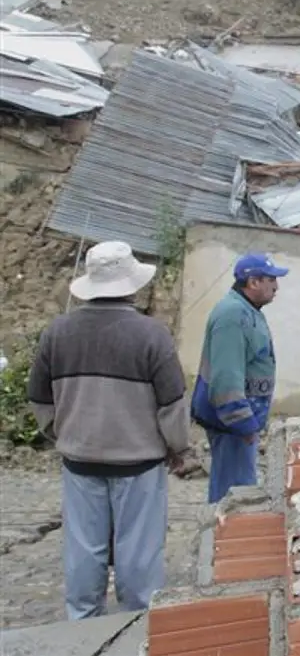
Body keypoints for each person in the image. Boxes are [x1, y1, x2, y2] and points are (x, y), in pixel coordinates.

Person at [26, 241, 193, 619]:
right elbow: (172, 407)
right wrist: (178, 448)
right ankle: (135, 628)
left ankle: (83, 628)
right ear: (131, 285)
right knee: (139, 555)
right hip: (139, 466)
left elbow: (39, 399)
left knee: (83, 551)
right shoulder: (153, 335)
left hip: (79, 462)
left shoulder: (58, 332)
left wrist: (64, 433)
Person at [190, 253, 288, 504]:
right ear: (253, 282)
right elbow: (226, 378)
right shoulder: (233, 315)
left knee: (237, 490)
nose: (276, 286)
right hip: (231, 425)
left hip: (239, 424)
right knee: (233, 499)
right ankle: (221, 542)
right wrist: (242, 423)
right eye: (270, 279)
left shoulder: (248, 311)